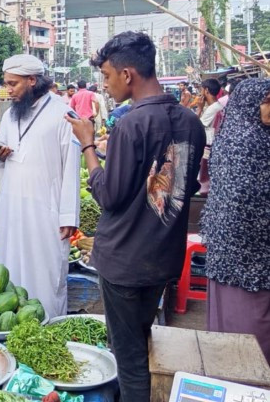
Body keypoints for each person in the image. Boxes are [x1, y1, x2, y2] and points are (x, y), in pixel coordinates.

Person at [65, 31, 204, 402]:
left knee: (129, 360)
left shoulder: (132, 124)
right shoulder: (191, 122)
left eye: (108, 77)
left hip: (125, 262)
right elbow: (181, 189)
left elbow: (108, 195)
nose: (106, 86)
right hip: (161, 259)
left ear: (128, 75)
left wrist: (88, 145)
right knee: (143, 341)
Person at [0, 55, 80, 319]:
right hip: (12, 207)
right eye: (7, 83)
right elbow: (0, 155)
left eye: (13, 84)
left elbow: (71, 168)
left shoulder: (63, 113)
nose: (8, 90)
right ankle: (13, 330)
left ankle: (49, 326)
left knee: (46, 274)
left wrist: (68, 215)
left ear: (32, 80)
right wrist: (0, 154)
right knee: (10, 270)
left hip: (46, 210)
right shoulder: (9, 115)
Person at [202, 78, 270, 363]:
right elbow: (248, 199)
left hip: (229, 250)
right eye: (267, 101)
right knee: (251, 328)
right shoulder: (251, 142)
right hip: (248, 253)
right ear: (250, 104)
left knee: (231, 321)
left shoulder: (231, 134)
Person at [197, 79, 223, 195]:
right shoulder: (218, 106)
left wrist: (199, 109)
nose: (200, 93)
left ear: (206, 90)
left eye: (201, 90)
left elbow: (196, 127)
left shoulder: (212, 109)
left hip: (209, 147)